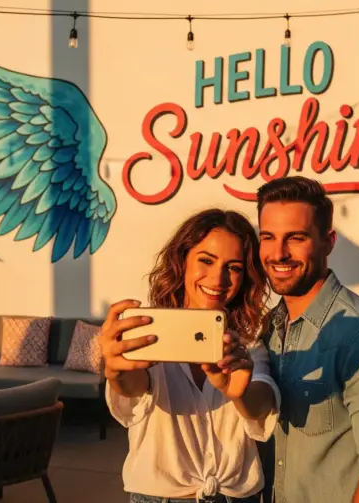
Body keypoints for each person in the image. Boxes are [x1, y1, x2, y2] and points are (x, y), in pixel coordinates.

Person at [99, 208, 281, 503]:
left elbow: (261, 407)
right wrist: (115, 371)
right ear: (182, 261)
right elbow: (133, 388)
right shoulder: (150, 332)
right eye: (206, 260)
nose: (219, 277)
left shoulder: (247, 347)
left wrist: (237, 392)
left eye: (233, 267)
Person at [256, 176, 359, 503]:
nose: (278, 253)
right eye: (268, 237)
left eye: (295, 238)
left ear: (328, 242)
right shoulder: (269, 328)